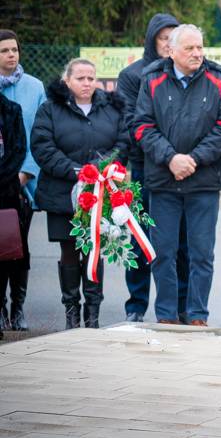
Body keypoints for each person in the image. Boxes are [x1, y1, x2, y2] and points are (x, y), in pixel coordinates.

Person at [134, 24, 221, 327]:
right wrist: (171, 158)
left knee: (201, 254)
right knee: (163, 252)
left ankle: (197, 315)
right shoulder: (151, 79)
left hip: (203, 182)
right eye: (189, 48)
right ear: (171, 51)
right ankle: (166, 315)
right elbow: (141, 126)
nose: (197, 53)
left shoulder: (220, 80)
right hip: (163, 182)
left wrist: (193, 159)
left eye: (200, 47)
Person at [30, 58, 128, 328]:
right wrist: (75, 171)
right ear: (67, 81)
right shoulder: (50, 109)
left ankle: (93, 315)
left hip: (101, 191)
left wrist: (100, 168)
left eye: (91, 78)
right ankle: (71, 314)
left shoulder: (112, 108)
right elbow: (42, 146)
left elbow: (123, 142)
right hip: (62, 193)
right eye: (80, 78)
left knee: (95, 250)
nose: (87, 83)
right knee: (70, 250)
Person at [116, 13, 190, 323]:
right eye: (163, 38)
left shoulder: (187, 72)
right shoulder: (133, 75)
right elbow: (131, 122)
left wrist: (179, 157)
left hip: (182, 169)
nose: (168, 43)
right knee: (140, 238)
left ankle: (181, 306)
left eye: (174, 37)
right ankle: (136, 304)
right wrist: (163, 153)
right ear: (152, 40)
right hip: (145, 169)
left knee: (181, 241)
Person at [0, 29, 45, 331]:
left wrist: (25, 173)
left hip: (21, 184)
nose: (11, 55)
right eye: (4, 50)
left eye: (14, 49)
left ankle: (18, 308)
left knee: (16, 248)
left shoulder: (34, 87)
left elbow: (40, 136)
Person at [0, 92, 27, 340]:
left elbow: (18, 150)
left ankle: (11, 310)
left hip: (5, 192)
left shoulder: (11, 109)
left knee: (7, 257)